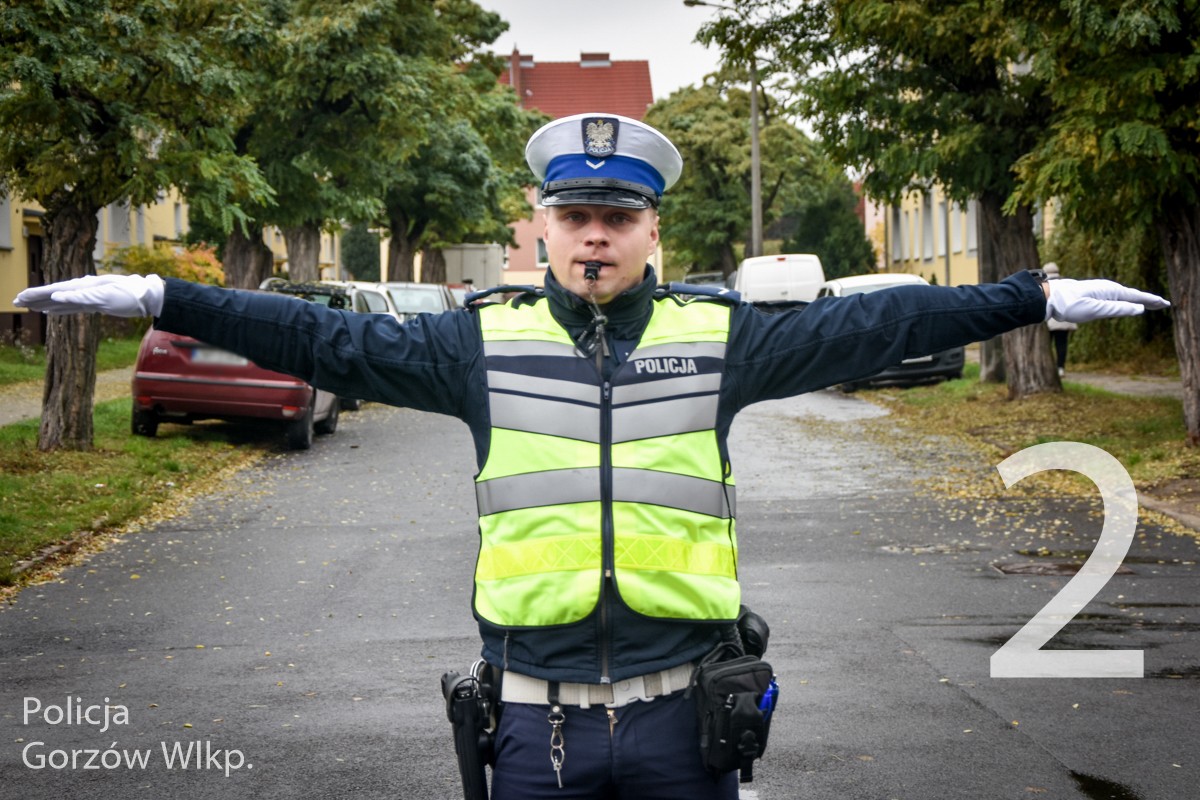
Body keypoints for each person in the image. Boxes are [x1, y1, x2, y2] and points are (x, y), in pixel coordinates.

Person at [14, 112, 1170, 800]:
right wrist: (166, 295)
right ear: (543, 228)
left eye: (620, 215)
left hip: (684, 723)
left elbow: (876, 322)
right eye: (577, 216)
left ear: (652, 228)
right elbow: (322, 337)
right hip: (535, 731)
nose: (598, 234)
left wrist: (1033, 296)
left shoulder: (720, 337)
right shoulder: (477, 344)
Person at [1043, 262, 1077, 377]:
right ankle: (1060, 368)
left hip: (1049, 320)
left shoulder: (1044, 285)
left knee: (1046, 345)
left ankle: (1047, 367)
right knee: (1061, 344)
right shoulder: (1066, 284)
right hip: (1064, 319)